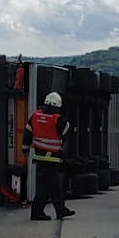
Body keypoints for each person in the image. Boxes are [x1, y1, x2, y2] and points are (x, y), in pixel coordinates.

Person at [23, 91, 75, 221]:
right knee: (48, 186)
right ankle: (38, 212)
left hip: (39, 156)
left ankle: (60, 210)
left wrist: (25, 150)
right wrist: (61, 141)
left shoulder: (35, 116)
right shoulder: (57, 119)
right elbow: (67, 129)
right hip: (52, 157)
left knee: (52, 185)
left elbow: (27, 135)